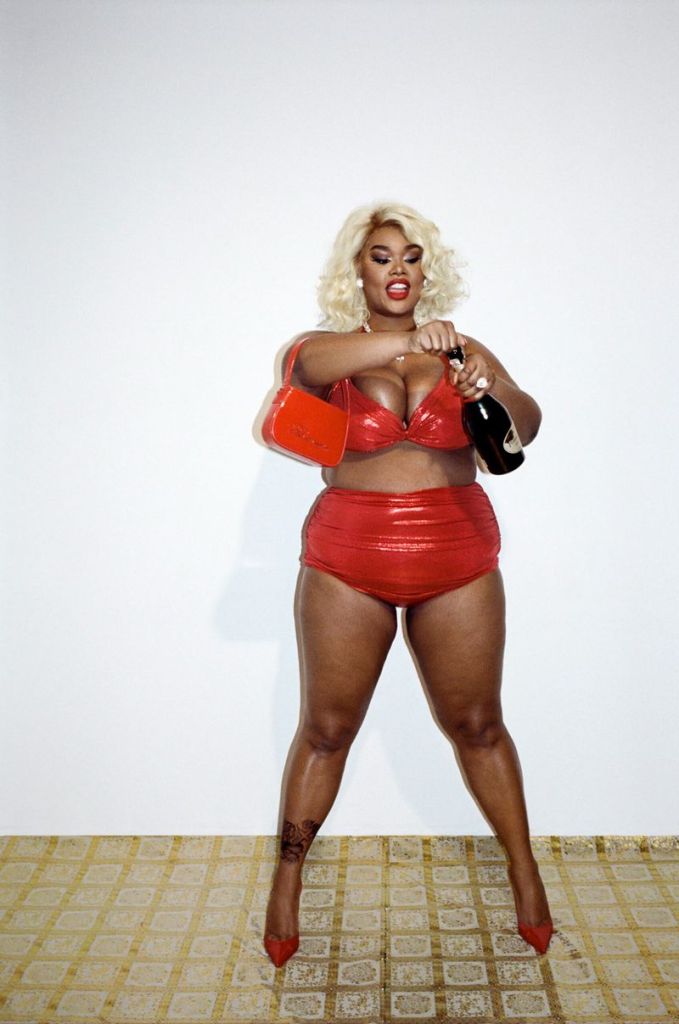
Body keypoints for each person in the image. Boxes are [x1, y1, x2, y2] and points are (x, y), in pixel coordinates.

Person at [262, 202, 552, 968]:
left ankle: (525, 876)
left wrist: (485, 384)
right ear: (357, 270)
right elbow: (302, 372)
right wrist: (409, 340)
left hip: (456, 551)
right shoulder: (327, 349)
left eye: (412, 257)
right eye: (382, 256)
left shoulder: (463, 350)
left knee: (478, 726)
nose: (398, 270)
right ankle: (286, 884)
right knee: (325, 731)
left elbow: (524, 426)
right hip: (345, 556)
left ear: (429, 271)